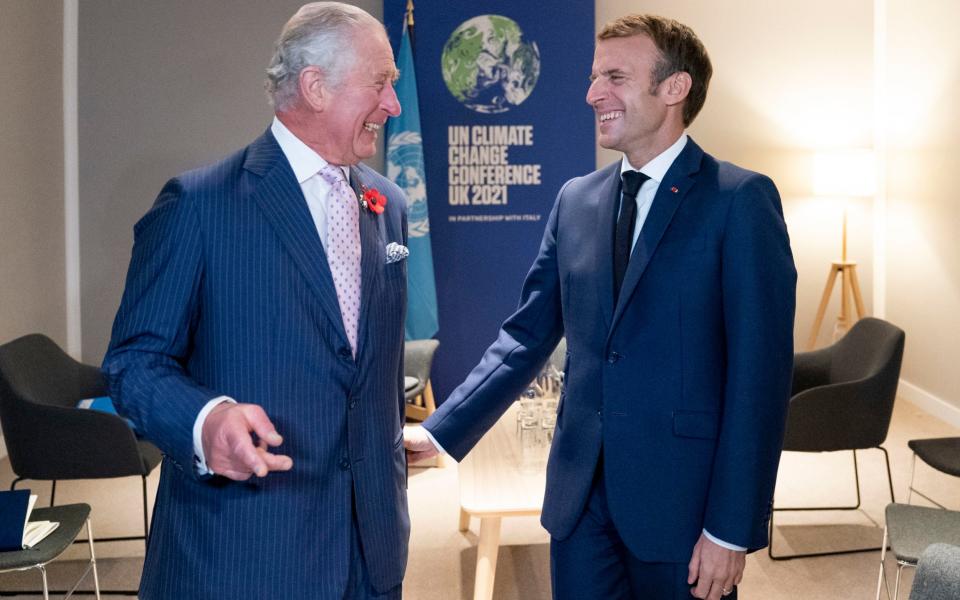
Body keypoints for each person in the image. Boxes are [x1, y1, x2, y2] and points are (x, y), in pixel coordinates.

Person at [405, 13, 796, 600]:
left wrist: (731, 528)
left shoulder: (739, 201)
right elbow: (524, 337)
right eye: (593, 77)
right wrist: (437, 434)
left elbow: (758, 381)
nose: (593, 94)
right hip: (578, 503)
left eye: (614, 76)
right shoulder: (575, 200)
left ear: (674, 88)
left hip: (683, 508)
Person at [102, 3, 409, 598]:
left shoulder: (388, 204)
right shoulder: (198, 204)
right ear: (315, 87)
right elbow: (133, 362)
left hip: (371, 553)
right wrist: (206, 418)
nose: (393, 105)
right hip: (244, 554)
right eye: (381, 83)